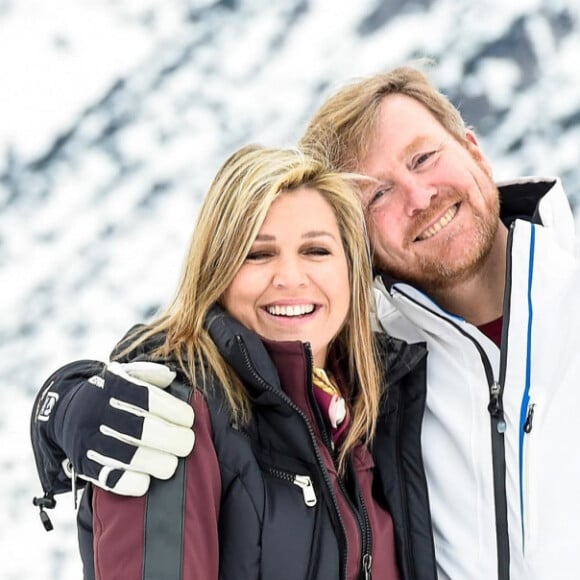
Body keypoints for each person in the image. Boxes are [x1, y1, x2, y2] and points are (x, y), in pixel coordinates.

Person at [33, 64, 580, 579]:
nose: (418, 197)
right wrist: (67, 401)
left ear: (474, 152)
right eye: (379, 193)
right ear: (362, 246)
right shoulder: (385, 377)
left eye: (423, 158)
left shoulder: (369, 384)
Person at [31, 144, 437, 579]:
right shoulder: (172, 415)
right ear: (217, 271)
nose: (290, 277)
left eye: (316, 251)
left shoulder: (366, 409)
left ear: (351, 270)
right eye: (258, 254)